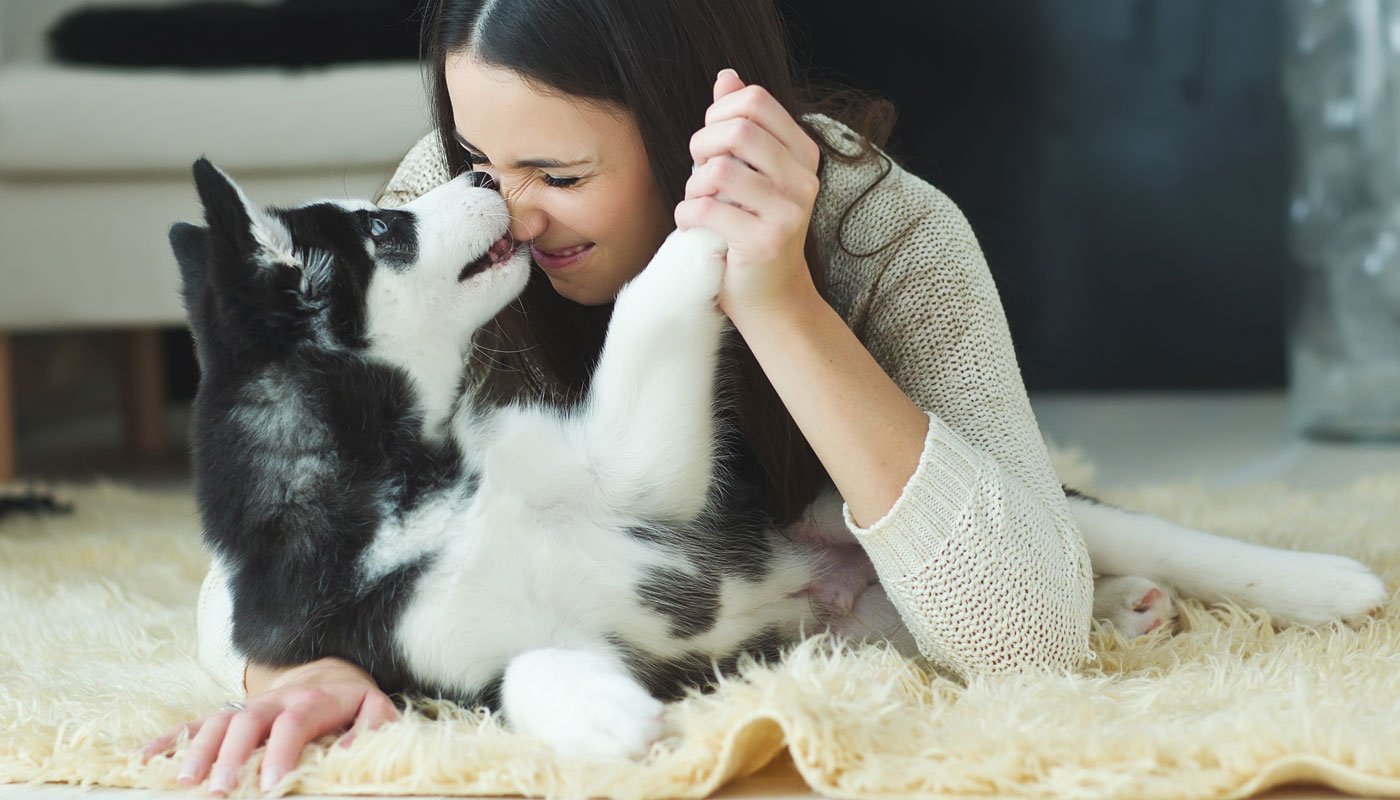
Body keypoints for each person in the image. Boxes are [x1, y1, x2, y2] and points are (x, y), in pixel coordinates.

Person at [144, 0, 1097, 793]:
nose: (507, 211)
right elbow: (275, 534)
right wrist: (302, 664)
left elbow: (1031, 637)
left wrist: (774, 294)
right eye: (478, 156)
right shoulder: (454, 206)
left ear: (689, 127)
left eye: (559, 175)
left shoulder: (886, 233)